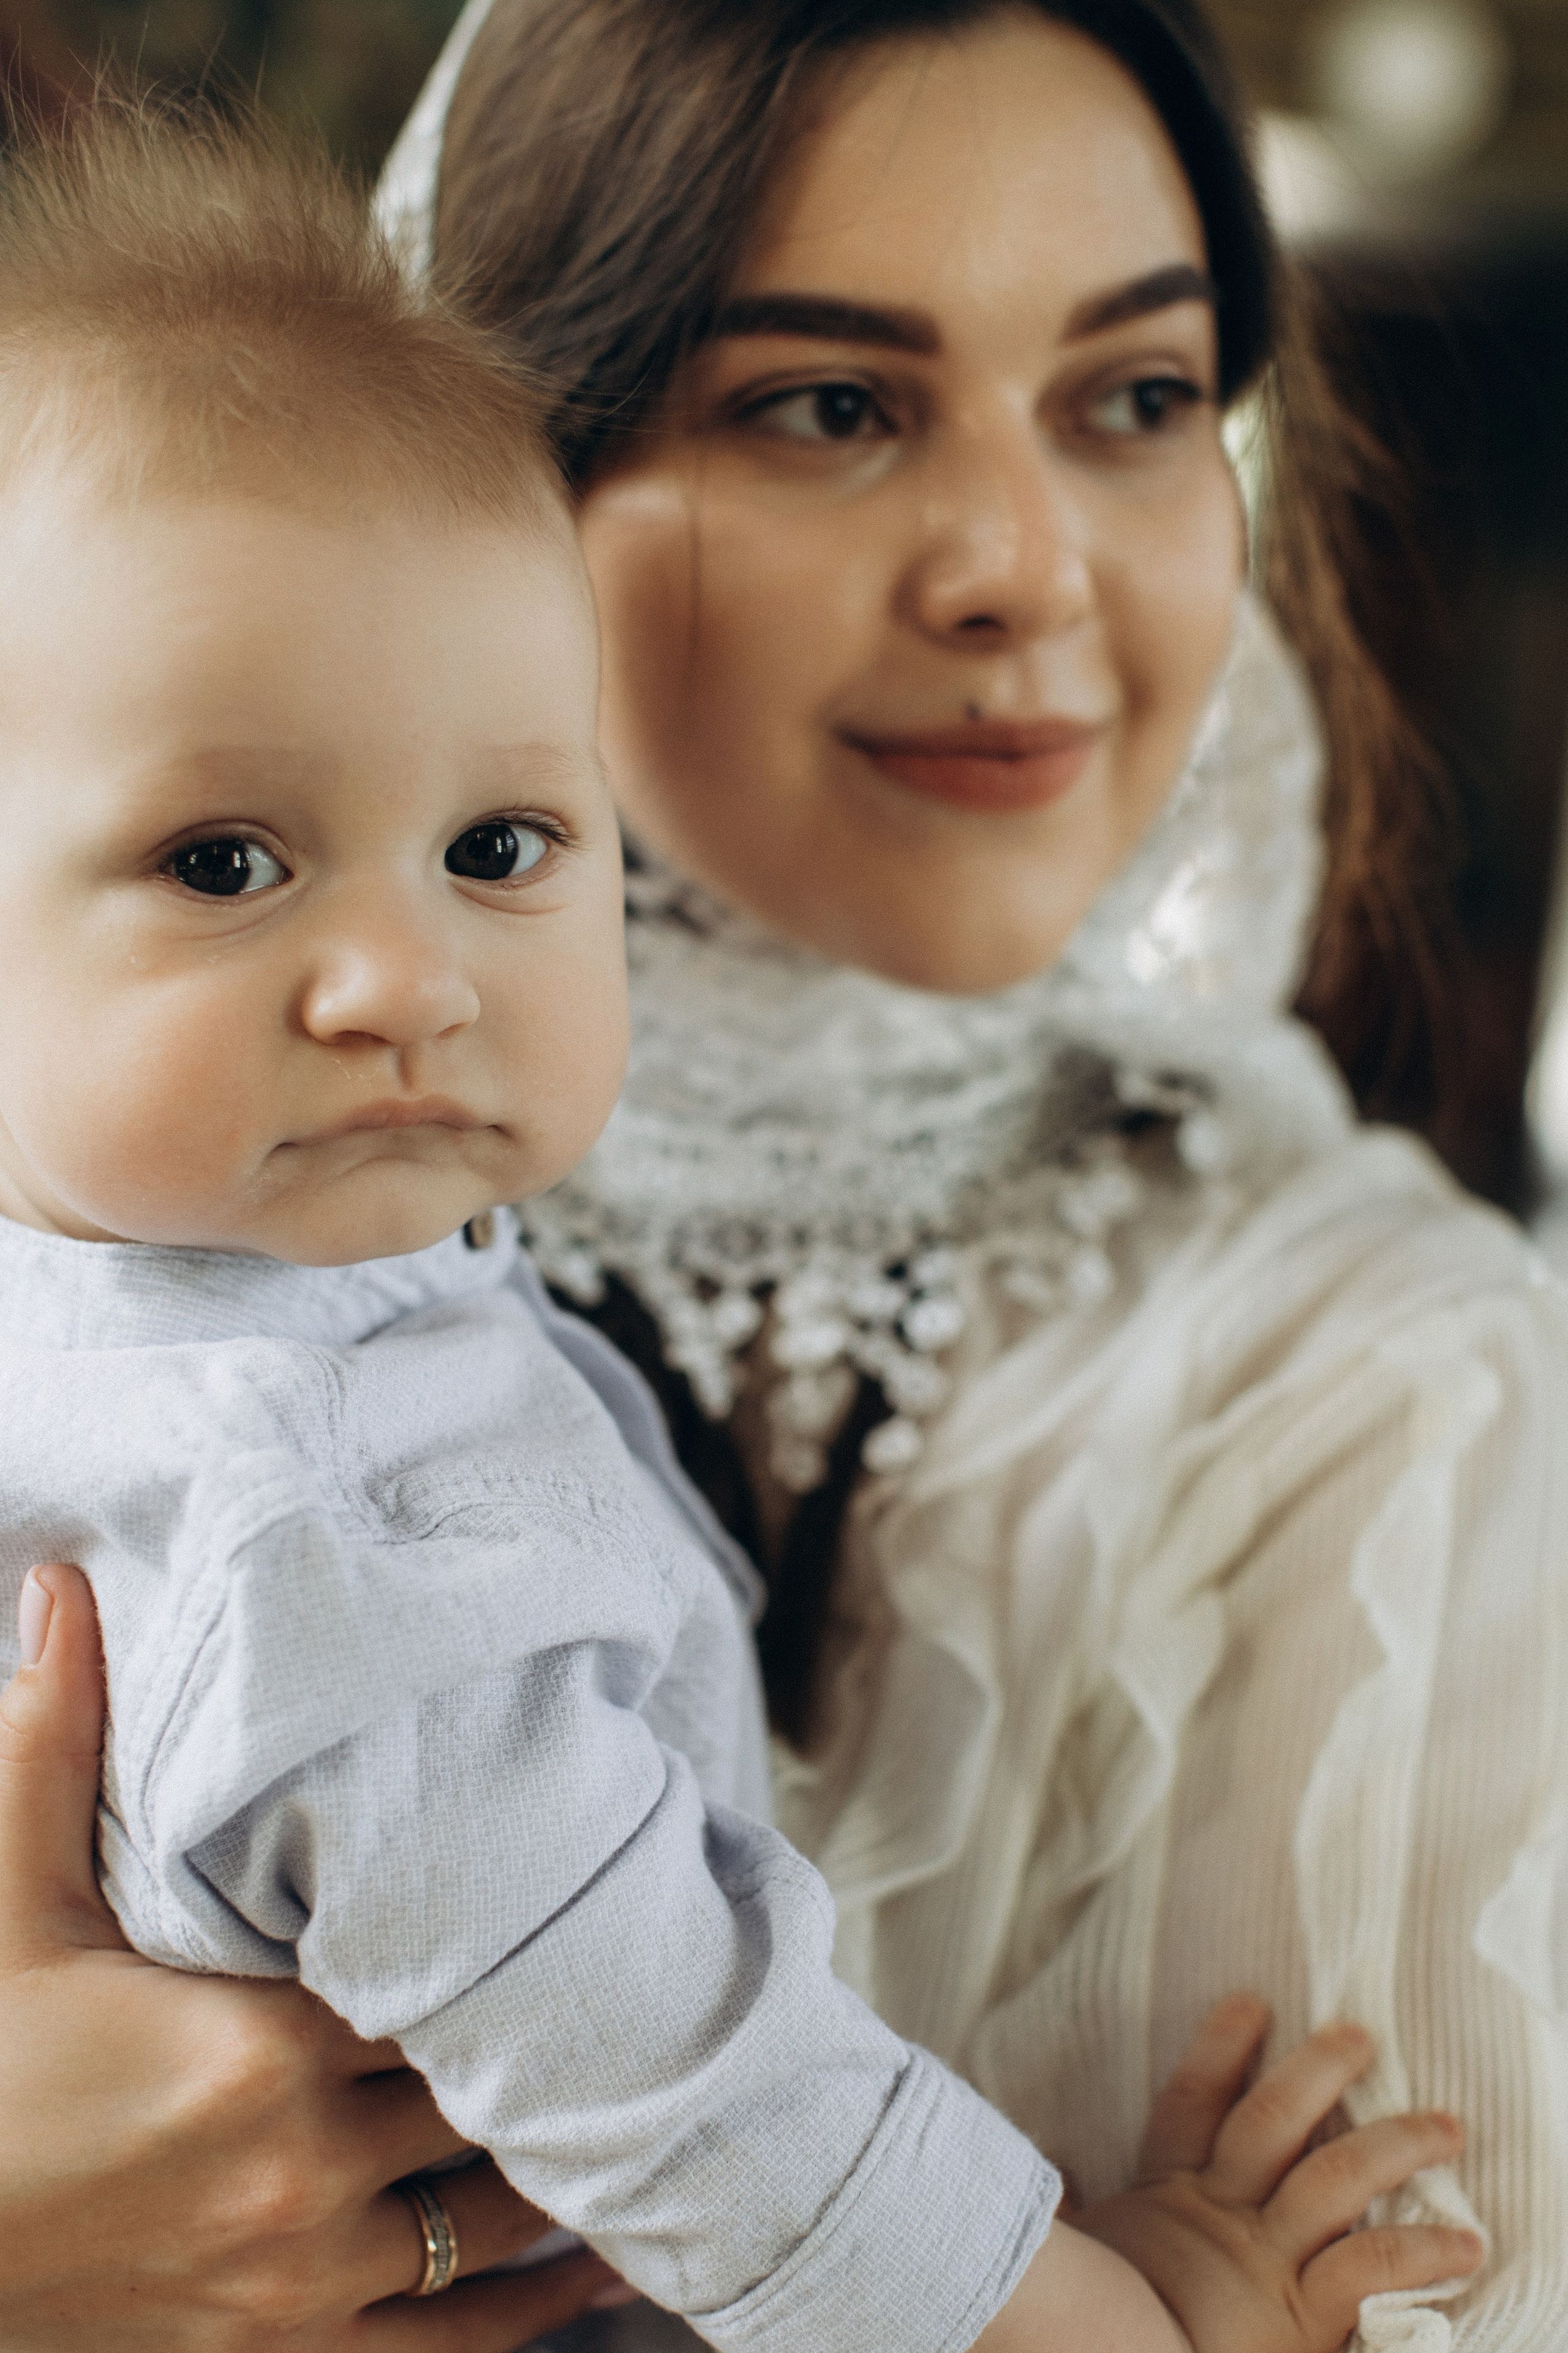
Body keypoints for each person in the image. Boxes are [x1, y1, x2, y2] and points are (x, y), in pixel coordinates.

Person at [2, 1, 1565, 2346]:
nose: (1018, 568)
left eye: (1138, 397)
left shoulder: (1413, 1389)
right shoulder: (339, 1396)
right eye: (827, 403)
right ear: (543, 467)